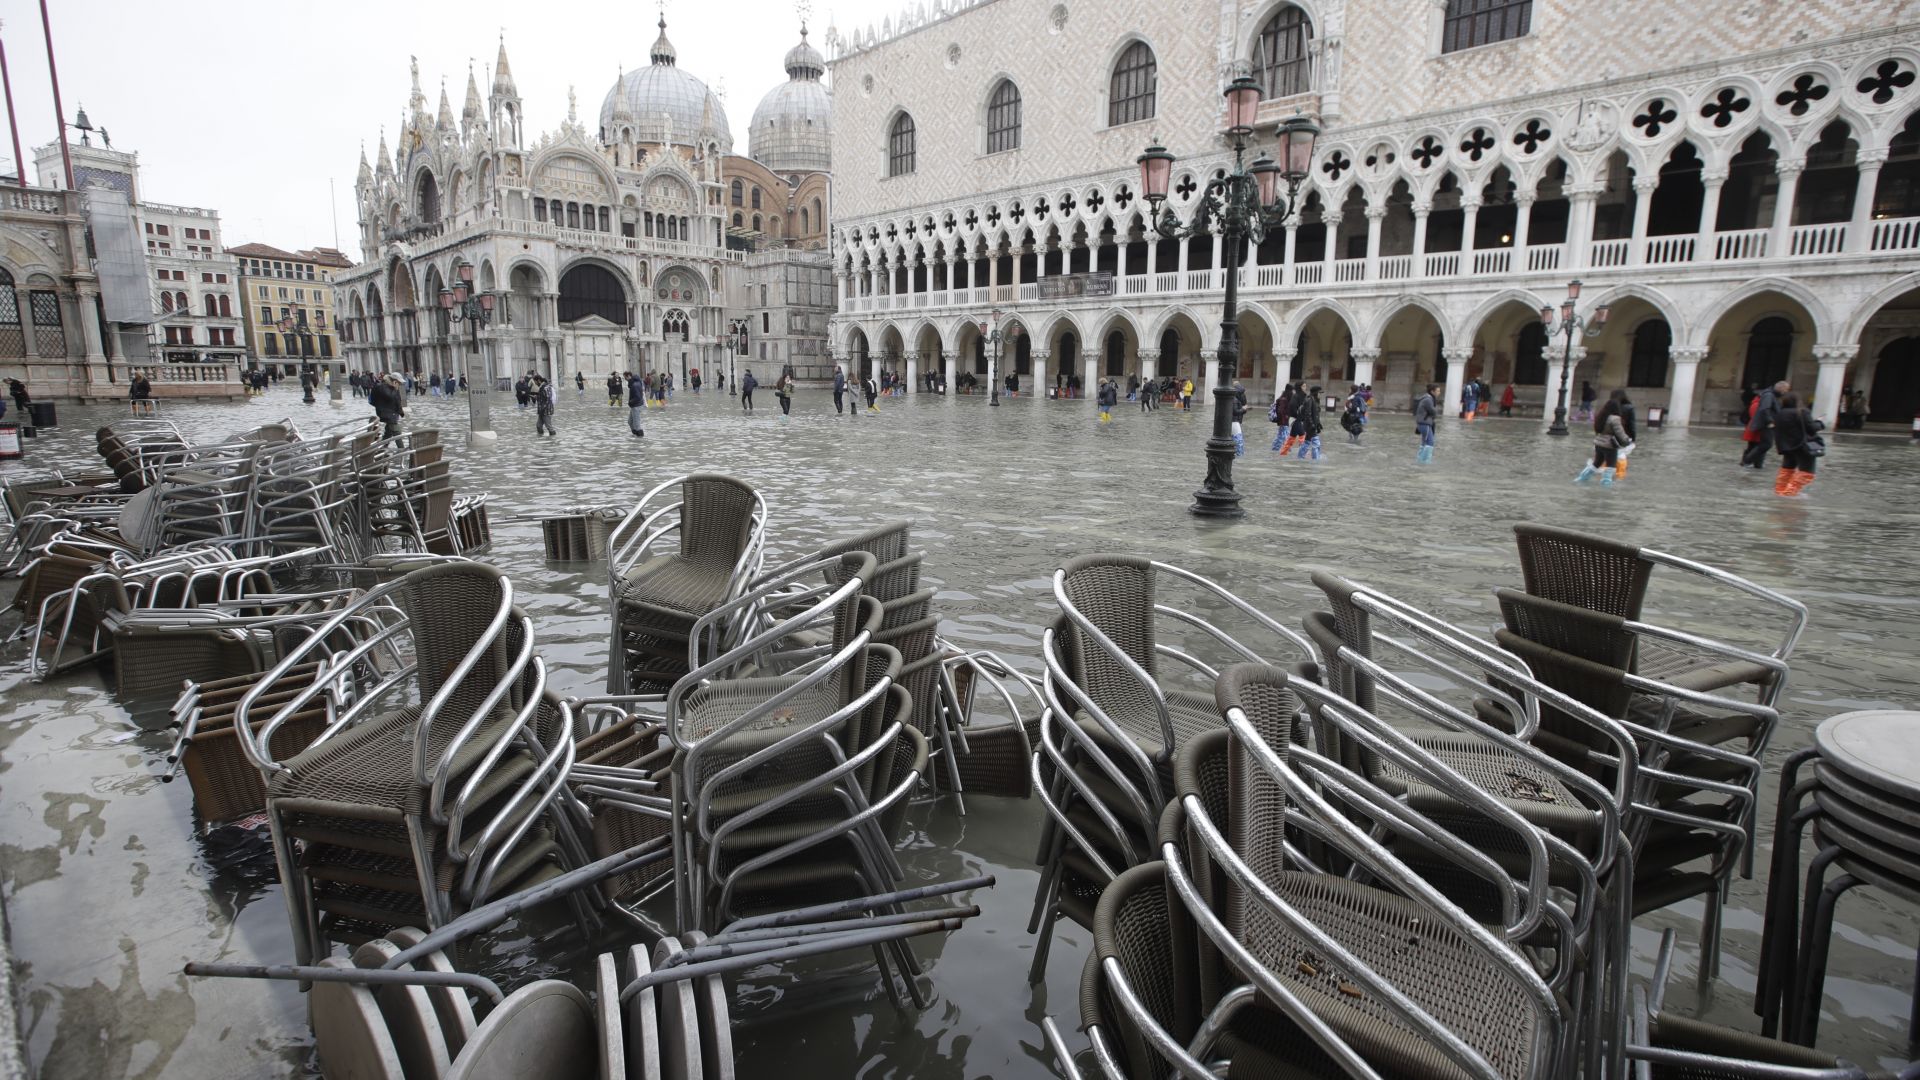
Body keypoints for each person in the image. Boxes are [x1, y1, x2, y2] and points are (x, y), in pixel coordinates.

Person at [1772, 392, 1822, 496]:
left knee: (1786, 472)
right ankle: (1788, 493)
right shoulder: (1802, 412)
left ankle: (1780, 492)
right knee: (1807, 473)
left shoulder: (1779, 413)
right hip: (1802, 446)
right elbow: (1812, 428)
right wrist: (1819, 423)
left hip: (1786, 447)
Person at [1577, 397, 1630, 485]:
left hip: (1599, 443)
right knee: (1610, 466)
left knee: (1596, 464)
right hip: (1609, 445)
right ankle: (1606, 483)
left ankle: (1581, 478)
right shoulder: (1615, 418)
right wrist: (1627, 440)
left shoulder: (1601, 416)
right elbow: (1620, 432)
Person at [1742, 379, 1789, 468]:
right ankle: (1747, 460)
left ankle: (1757, 464)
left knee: (1761, 444)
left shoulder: (1772, 395)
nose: (1786, 391)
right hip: (1766, 424)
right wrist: (1770, 421)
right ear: (1781, 388)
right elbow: (1765, 409)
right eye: (1786, 389)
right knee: (1766, 444)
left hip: (1766, 423)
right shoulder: (1768, 395)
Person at [1610, 389, 1638, 480]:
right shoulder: (1629, 408)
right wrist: (1633, 437)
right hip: (1624, 435)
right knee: (1621, 455)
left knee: (1612, 454)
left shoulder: (1610, 406)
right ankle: (1619, 475)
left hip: (1611, 435)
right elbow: (1632, 424)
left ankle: (1609, 473)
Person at [370, 372, 406, 439]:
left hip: (393, 413)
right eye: (399, 382)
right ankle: (402, 448)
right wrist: (395, 389)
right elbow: (389, 397)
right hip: (386, 413)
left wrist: (401, 411)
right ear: (395, 381)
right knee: (397, 432)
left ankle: (384, 445)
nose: (400, 384)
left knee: (389, 432)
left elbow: (398, 400)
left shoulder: (395, 388)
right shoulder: (382, 386)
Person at [1294, 386, 1324, 460]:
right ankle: (1316, 460)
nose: (1321, 395)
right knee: (1316, 443)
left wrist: (1318, 424)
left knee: (1307, 442)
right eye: (1320, 393)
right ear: (1316, 393)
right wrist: (1312, 425)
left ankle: (1300, 457)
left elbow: (1316, 415)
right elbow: (1308, 414)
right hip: (1309, 426)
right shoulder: (1309, 400)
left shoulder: (1316, 400)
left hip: (1311, 425)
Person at [1413, 383, 1439, 463]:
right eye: (1438, 391)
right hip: (1425, 423)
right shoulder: (1428, 399)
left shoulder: (1428, 398)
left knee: (1425, 442)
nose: (1439, 393)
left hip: (1423, 423)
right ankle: (1425, 461)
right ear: (1432, 391)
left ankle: (1420, 460)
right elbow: (1433, 411)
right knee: (1430, 442)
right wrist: (1435, 411)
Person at [1271, 383, 1296, 452]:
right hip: (1283, 421)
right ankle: (1287, 450)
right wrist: (1285, 416)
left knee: (1280, 436)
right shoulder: (1283, 399)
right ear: (1290, 390)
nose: (1294, 392)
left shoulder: (1285, 398)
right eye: (1293, 390)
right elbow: (1280, 411)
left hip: (1284, 420)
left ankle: (1274, 449)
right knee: (1286, 436)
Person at [1230, 382, 1249, 456]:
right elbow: (1235, 411)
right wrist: (1243, 409)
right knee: (1238, 440)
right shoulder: (1235, 399)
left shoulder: (1235, 398)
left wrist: (1243, 410)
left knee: (1235, 440)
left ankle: (1236, 455)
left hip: (1235, 421)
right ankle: (1239, 455)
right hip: (1234, 422)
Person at [626, 372, 646, 437]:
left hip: (636, 406)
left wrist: (630, 402)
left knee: (637, 425)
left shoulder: (635, 385)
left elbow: (638, 397)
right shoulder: (635, 383)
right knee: (630, 422)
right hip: (635, 405)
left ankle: (640, 439)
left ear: (629, 376)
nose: (625, 379)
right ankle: (635, 435)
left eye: (625, 377)